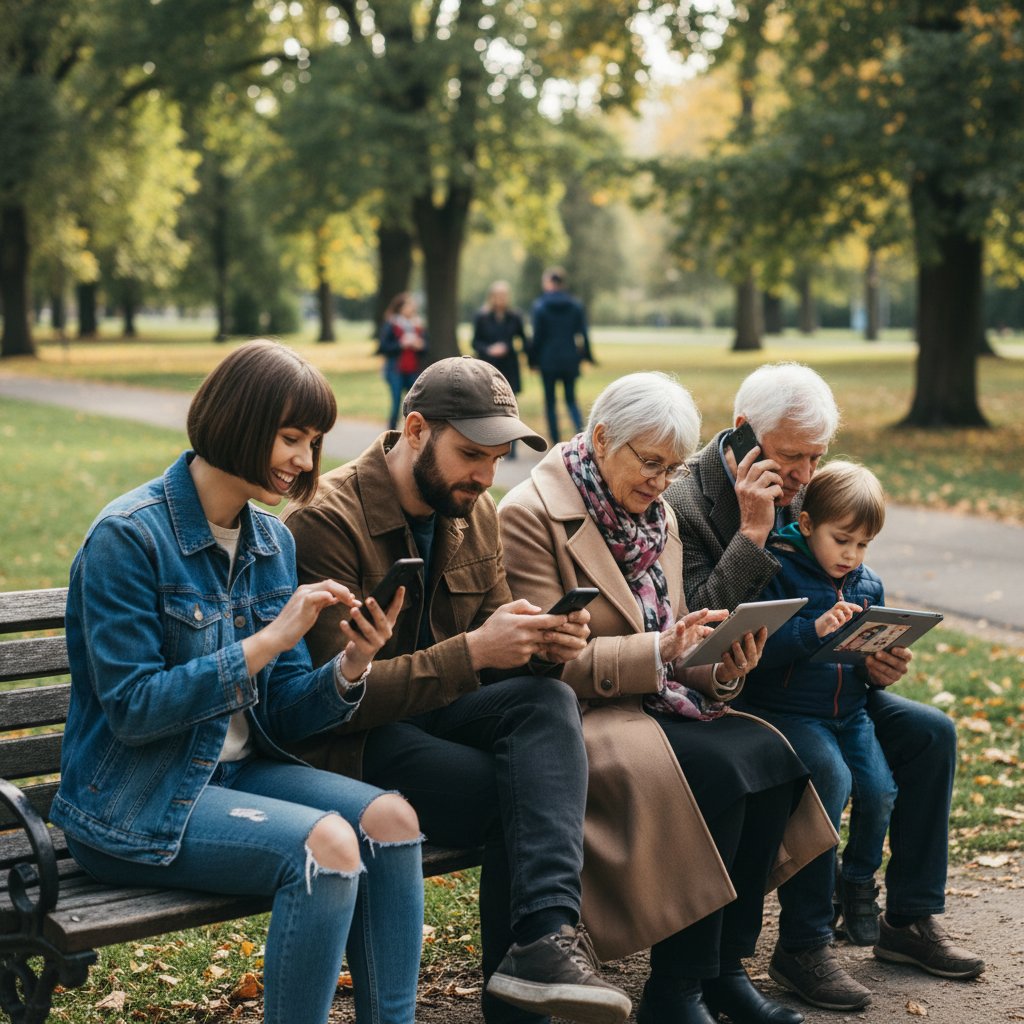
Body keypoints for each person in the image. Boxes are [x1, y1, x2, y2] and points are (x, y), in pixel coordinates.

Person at [50, 340, 424, 1024]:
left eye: (313, 443)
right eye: (291, 439)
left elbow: (279, 713)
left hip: (235, 779)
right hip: (135, 800)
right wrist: (266, 641)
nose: (305, 463)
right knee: (329, 847)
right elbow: (133, 711)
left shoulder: (270, 543)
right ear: (238, 421)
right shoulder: (128, 539)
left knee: (392, 820)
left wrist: (351, 666)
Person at [281, 355, 632, 1024]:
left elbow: (495, 660)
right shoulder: (325, 520)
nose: (485, 474)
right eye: (471, 454)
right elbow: (334, 700)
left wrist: (541, 649)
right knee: (519, 794)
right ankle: (526, 989)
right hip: (354, 745)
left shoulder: (477, 512)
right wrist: (476, 650)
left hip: (437, 720)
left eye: (497, 458)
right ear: (415, 429)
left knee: (547, 700)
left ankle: (545, 940)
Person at [497, 372, 840, 1024]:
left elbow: (679, 636)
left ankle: (722, 971)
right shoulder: (528, 513)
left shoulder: (657, 519)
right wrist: (663, 655)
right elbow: (542, 660)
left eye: (671, 467)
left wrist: (724, 665)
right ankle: (677, 990)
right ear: (601, 439)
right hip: (580, 717)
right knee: (720, 768)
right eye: (648, 463)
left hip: (656, 700)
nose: (660, 483)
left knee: (769, 757)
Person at [664, 362, 984, 1012]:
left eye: (818, 455)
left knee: (930, 734)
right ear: (743, 432)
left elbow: (846, 570)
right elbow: (700, 626)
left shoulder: (809, 491)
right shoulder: (689, 503)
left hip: (834, 687)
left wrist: (877, 660)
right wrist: (753, 532)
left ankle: (907, 919)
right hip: (745, 694)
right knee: (826, 772)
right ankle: (805, 945)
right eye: (792, 457)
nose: (806, 475)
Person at [737, 460, 899, 949]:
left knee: (879, 791)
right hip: (790, 712)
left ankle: (857, 883)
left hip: (850, 714)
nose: (851, 554)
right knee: (835, 781)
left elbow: (861, 661)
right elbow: (758, 651)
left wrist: (878, 665)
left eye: (863, 544)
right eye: (842, 539)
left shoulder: (867, 584)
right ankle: (814, 903)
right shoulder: (779, 569)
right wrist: (813, 630)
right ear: (806, 525)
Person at [530, 267, 594, 444]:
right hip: (569, 359)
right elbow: (583, 334)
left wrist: (533, 360)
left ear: (549, 283)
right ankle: (582, 437)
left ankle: (555, 441)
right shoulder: (575, 305)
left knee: (550, 402)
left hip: (547, 359)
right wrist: (587, 356)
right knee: (571, 399)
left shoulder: (540, 306)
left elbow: (536, 337)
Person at [472, 280, 531, 459]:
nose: (501, 299)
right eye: (498, 296)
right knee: (489, 405)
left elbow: (524, 340)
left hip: (509, 366)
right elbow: (475, 342)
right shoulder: (482, 317)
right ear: (492, 297)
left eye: (504, 296)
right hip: (489, 366)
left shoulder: (515, 316)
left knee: (510, 406)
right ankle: (489, 443)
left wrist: (513, 350)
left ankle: (512, 447)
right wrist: (489, 349)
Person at [378, 292, 428, 430]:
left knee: (415, 403)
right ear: (400, 307)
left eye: (412, 306)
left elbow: (425, 348)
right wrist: (401, 344)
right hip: (395, 370)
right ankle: (392, 432)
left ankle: (412, 431)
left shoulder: (418, 325)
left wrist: (419, 345)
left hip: (413, 370)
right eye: (408, 305)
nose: (411, 308)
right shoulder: (391, 324)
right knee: (396, 403)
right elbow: (382, 347)